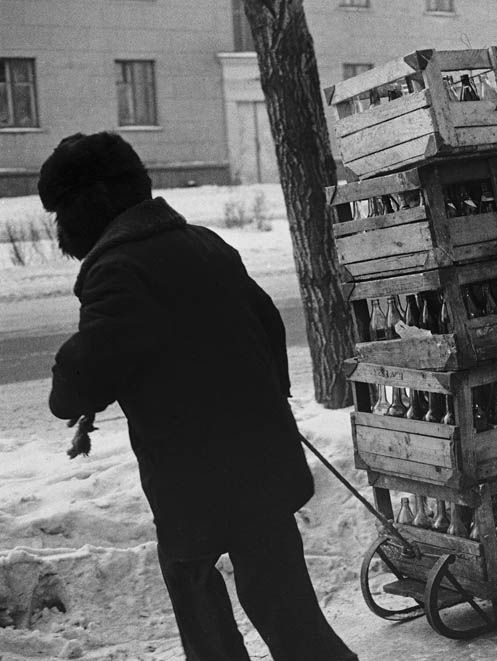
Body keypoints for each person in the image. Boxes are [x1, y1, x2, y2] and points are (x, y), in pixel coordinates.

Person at [39, 132, 357, 661]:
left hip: (194, 478)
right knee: (286, 604)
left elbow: (88, 372)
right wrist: (269, 396)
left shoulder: (116, 270)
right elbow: (267, 323)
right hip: (260, 458)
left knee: (197, 597)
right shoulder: (207, 243)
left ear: (88, 205)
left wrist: (65, 389)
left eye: (63, 211)